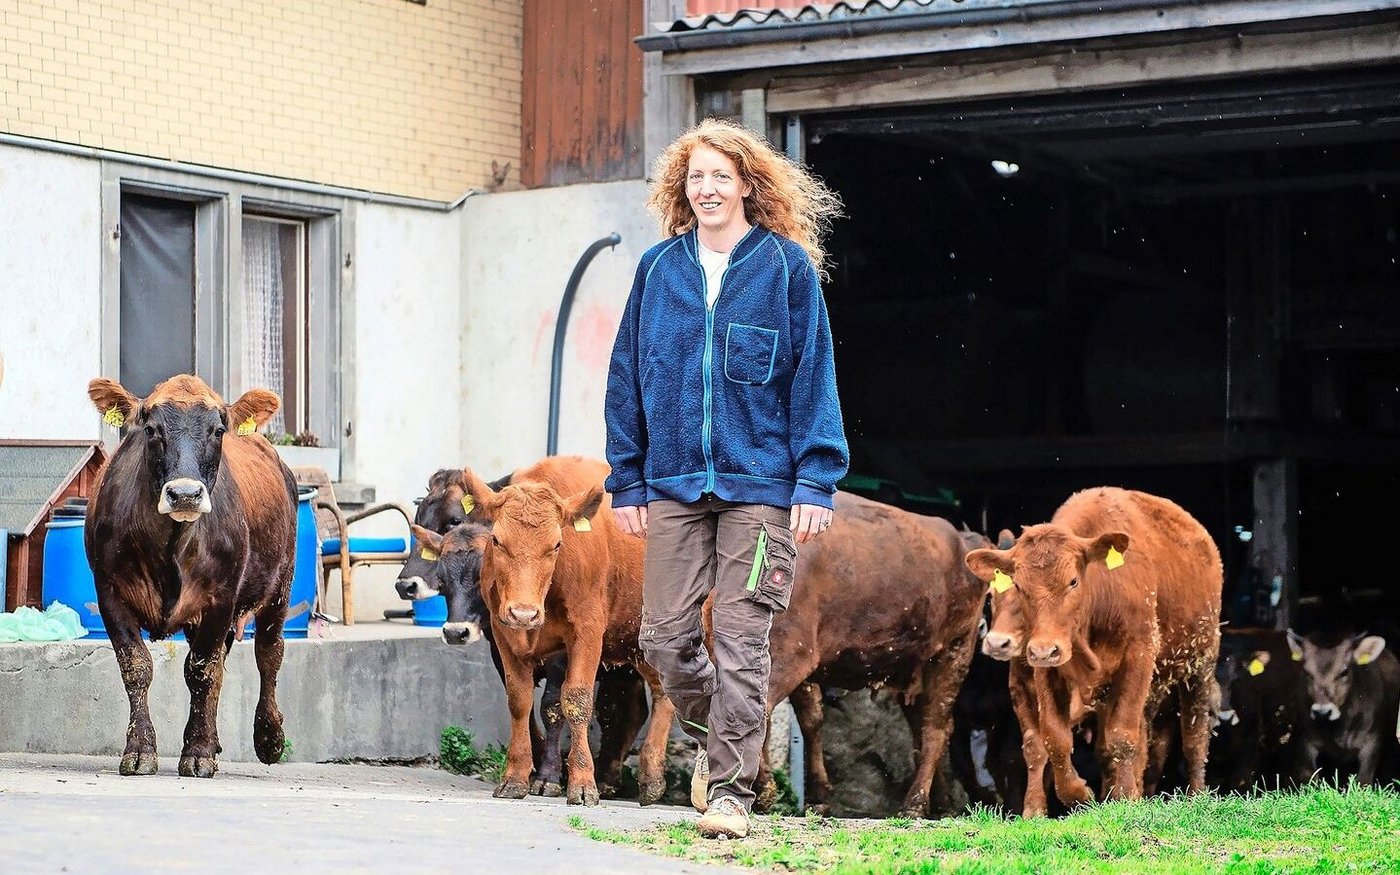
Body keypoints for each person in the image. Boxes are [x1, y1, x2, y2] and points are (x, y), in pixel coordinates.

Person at [604, 118, 848, 839]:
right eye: (695, 178)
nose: (706, 188)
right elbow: (626, 377)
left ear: (747, 183)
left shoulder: (785, 269)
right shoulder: (658, 270)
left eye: (719, 176)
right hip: (674, 483)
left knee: (744, 640)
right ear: (682, 190)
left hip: (764, 487)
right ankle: (727, 737)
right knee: (663, 640)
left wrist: (815, 481)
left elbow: (814, 378)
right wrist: (627, 478)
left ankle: (733, 792)